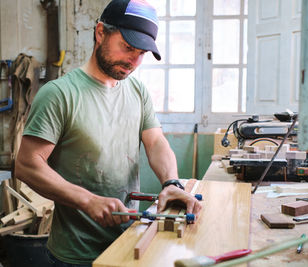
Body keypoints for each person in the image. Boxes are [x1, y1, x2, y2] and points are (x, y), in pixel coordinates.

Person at [15, 0, 202, 266]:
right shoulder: (59, 94)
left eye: (141, 54)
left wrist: (172, 183)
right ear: (100, 32)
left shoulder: (137, 92)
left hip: (127, 244)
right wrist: (87, 200)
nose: (133, 61)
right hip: (75, 256)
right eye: (127, 47)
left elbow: (156, 141)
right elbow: (26, 165)